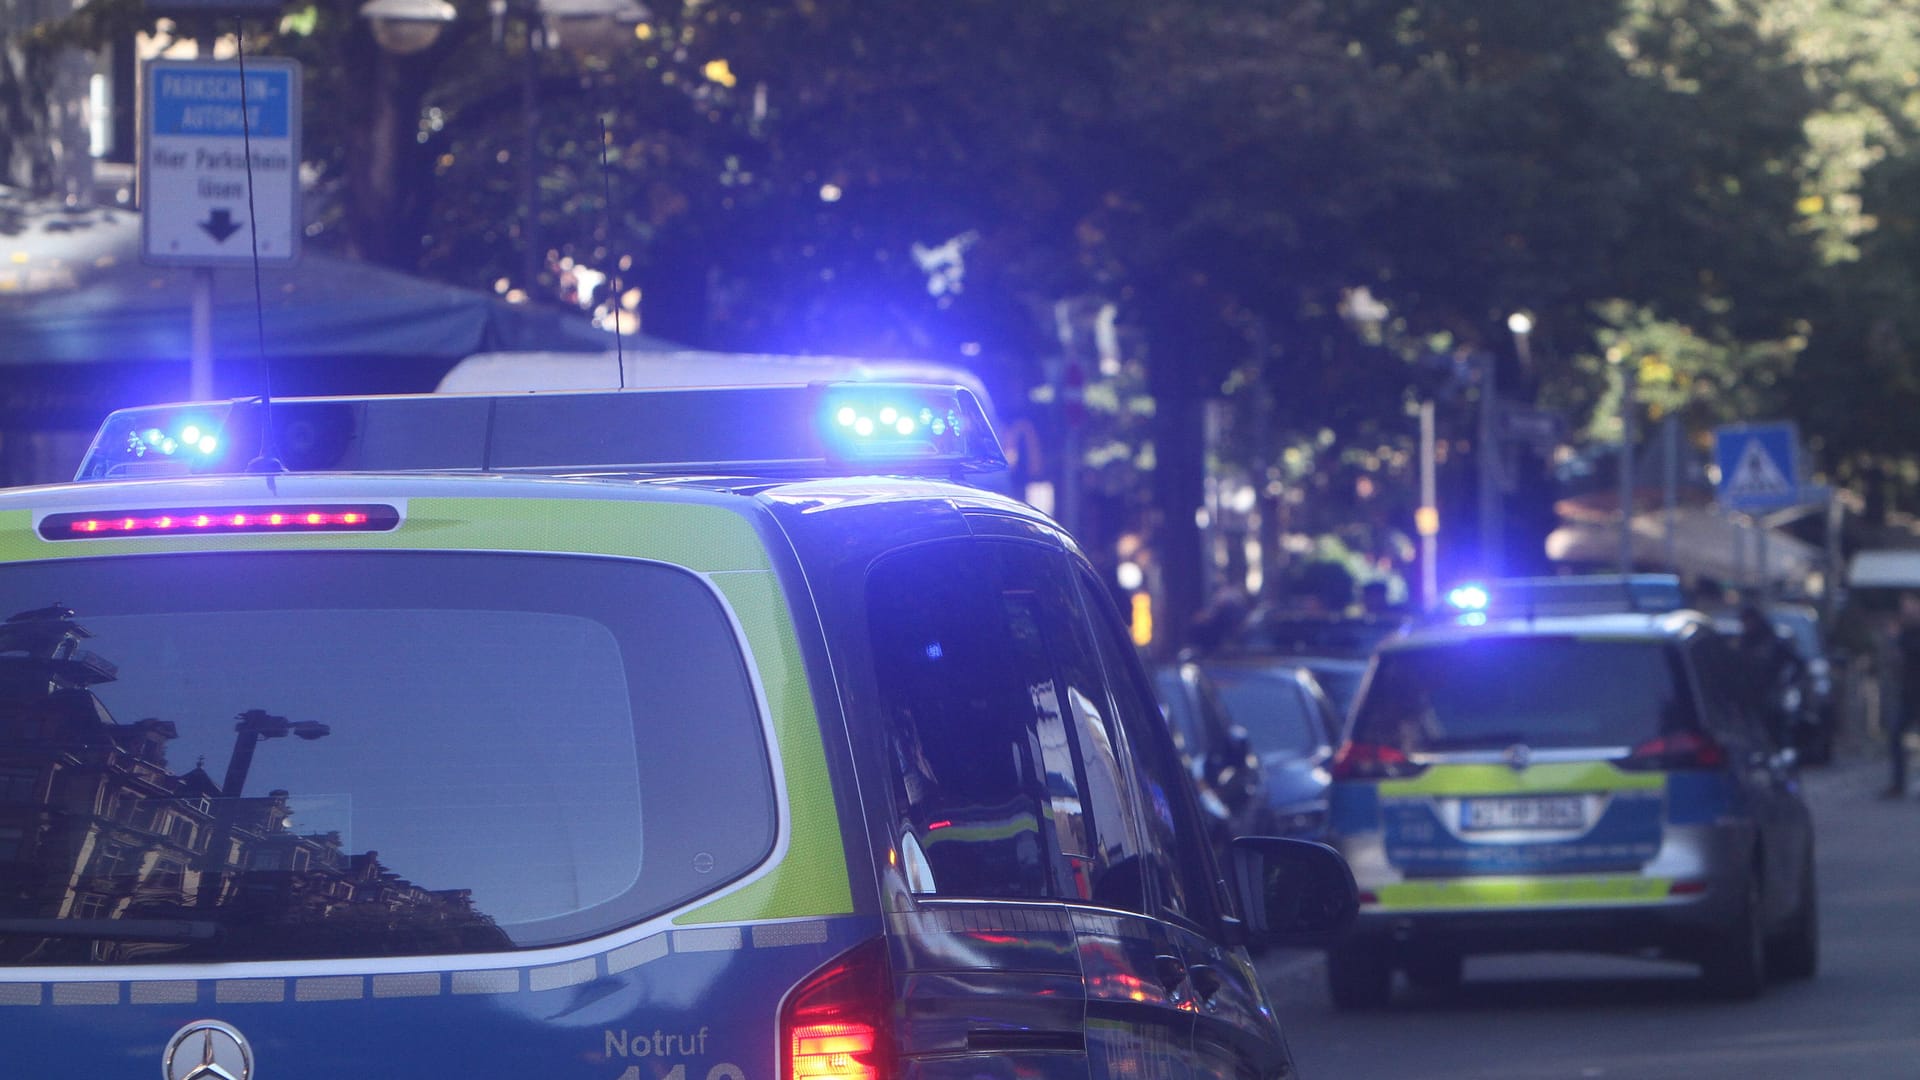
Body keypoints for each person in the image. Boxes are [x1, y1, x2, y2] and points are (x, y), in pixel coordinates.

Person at [1733, 603, 1805, 751]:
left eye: (1748, 621)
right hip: (1747, 698)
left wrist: (1789, 683)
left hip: (1770, 696)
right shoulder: (1744, 643)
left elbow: (1798, 664)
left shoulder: (1773, 642)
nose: (1746, 625)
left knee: (1775, 733)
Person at [1887, 593, 1920, 798]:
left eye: (1910, 607)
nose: (1906, 611)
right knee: (1896, 735)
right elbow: (1897, 661)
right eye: (1904, 607)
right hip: (1909, 694)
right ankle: (1898, 783)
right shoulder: (1904, 632)